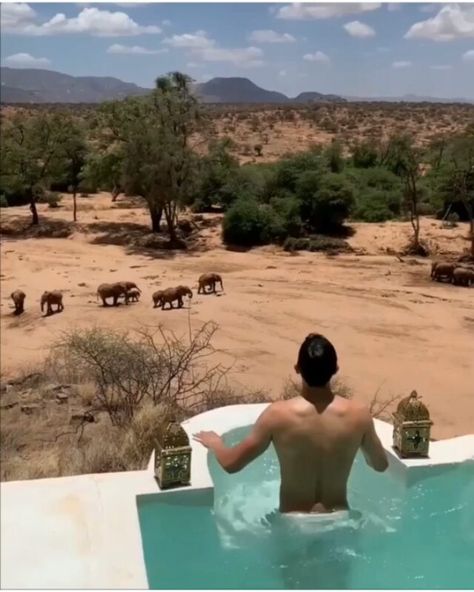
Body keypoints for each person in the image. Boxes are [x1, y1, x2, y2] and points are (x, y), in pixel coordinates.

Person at [194, 333, 388, 515]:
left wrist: (216, 443)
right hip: (340, 519)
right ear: (335, 369)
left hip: (294, 521)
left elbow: (232, 463)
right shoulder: (358, 415)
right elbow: (380, 465)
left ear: (297, 368)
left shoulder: (277, 415)